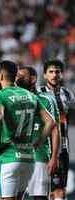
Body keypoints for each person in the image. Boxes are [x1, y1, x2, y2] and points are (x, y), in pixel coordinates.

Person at [0, 60, 55, 200]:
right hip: (28, 159)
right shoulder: (30, 96)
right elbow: (50, 122)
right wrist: (37, 143)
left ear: (1, 75)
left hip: (8, 157)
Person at [16, 66, 60, 200]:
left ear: (33, 79)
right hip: (17, 158)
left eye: (22, 75)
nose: (18, 78)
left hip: (39, 157)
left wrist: (54, 157)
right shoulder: (14, 99)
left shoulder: (46, 99)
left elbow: (54, 129)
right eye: (17, 75)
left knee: (39, 197)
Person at [38, 59, 75, 200]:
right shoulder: (38, 93)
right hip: (42, 148)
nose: (54, 75)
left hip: (62, 147)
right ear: (45, 75)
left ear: (62, 75)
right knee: (42, 190)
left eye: (57, 72)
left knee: (60, 190)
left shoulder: (68, 95)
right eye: (51, 72)